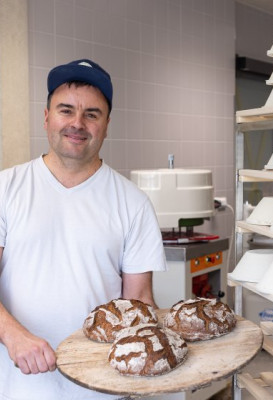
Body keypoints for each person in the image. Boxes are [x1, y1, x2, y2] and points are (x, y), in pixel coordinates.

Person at [0, 59, 167, 399]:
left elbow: (138, 300)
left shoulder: (133, 203)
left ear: (106, 125)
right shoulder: (6, 189)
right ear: (46, 117)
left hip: (102, 388)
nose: (77, 123)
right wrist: (14, 335)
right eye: (66, 110)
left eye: (92, 113)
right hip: (17, 385)